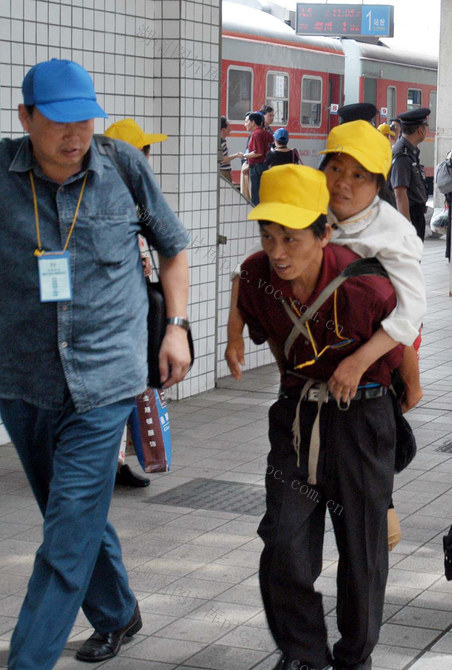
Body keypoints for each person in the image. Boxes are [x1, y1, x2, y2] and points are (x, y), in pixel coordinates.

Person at [0, 58, 191, 667]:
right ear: (25, 117)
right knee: (71, 515)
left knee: (66, 534)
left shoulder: (122, 165)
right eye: (58, 121)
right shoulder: (1, 174)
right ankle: (117, 613)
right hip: (23, 377)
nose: (74, 134)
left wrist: (178, 329)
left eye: (85, 118)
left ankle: (28, 659)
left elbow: (174, 247)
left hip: (106, 376)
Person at [231, 164, 405, 670]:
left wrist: (385, 378)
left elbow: (403, 330)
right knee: (283, 538)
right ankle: (304, 653)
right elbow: (243, 287)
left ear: (323, 233)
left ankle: (354, 657)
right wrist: (233, 335)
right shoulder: (259, 273)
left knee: (361, 551)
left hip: (361, 417)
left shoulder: (364, 283)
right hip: (296, 419)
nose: (278, 252)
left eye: (291, 238)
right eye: (268, 237)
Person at [104, 117, 172, 489]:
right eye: (146, 152)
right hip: (119, 321)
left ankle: (113, 464)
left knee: (125, 393)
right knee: (119, 394)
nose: (150, 160)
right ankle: (107, 466)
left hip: (126, 317)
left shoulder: (128, 198)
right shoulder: (121, 203)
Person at [390, 107, 431, 239]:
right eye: (425, 127)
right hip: (410, 217)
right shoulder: (402, 155)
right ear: (420, 130)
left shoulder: (410, 151)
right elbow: (400, 194)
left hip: (415, 215)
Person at [242, 110, 272, 205]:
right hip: (264, 166)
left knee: (255, 196)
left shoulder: (256, 134)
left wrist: (244, 156)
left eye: (247, 122)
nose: (245, 124)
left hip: (256, 167)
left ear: (253, 122)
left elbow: (258, 152)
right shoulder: (266, 133)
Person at [218, 116, 240, 181]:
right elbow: (222, 159)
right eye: (229, 127)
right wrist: (236, 155)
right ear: (223, 129)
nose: (230, 129)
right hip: (223, 171)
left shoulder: (223, 141)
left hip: (226, 171)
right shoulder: (220, 143)